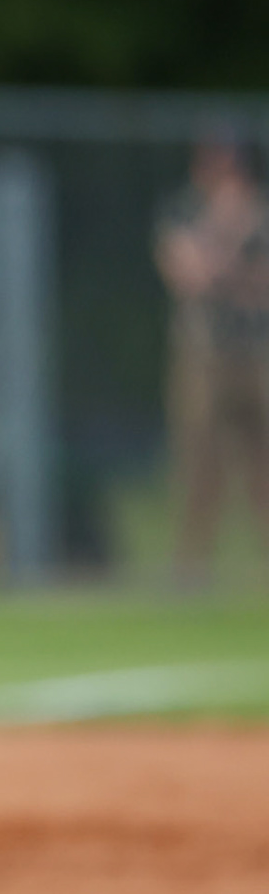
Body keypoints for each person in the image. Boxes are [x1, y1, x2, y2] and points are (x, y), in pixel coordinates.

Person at [154, 128, 269, 585]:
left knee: (263, 464)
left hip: (259, 355)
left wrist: (231, 254)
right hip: (201, 355)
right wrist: (228, 237)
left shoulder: (260, 213)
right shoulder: (184, 210)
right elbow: (188, 274)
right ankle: (191, 569)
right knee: (200, 461)